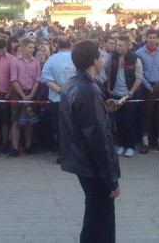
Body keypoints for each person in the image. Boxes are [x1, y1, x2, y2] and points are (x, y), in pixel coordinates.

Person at [59, 40, 121, 243]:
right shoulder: (88, 90)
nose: (103, 59)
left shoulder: (73, 83)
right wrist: (111, 179)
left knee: (94, 216)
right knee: (100, 220)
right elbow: (98, 140)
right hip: (92, 165)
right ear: (95, 60)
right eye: (101, 56)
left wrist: (104, 108)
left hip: (81, 160)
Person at [40, 36, 76, 162]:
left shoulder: (51, 60)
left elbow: (46, 79)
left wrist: (60, 90)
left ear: (57, 46)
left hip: (56, 100)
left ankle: (63, 154)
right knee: (74, 126)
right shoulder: (76, 58)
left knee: (60, 128)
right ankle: (74, 153)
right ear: (70, 45)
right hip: (74, 98)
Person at [7, 37, 41, 158]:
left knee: (30, 120)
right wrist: (23, 95)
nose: (32, 50)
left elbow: (37, 79)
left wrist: (31, 95)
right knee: (16, 120)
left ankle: (28, 146)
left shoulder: (36, 62)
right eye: (29, 47)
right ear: (23, 48)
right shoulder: (15, 61)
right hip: (18, 92)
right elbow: (14, 79)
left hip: (32, 92)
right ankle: (15, 148)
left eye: (33, 47)